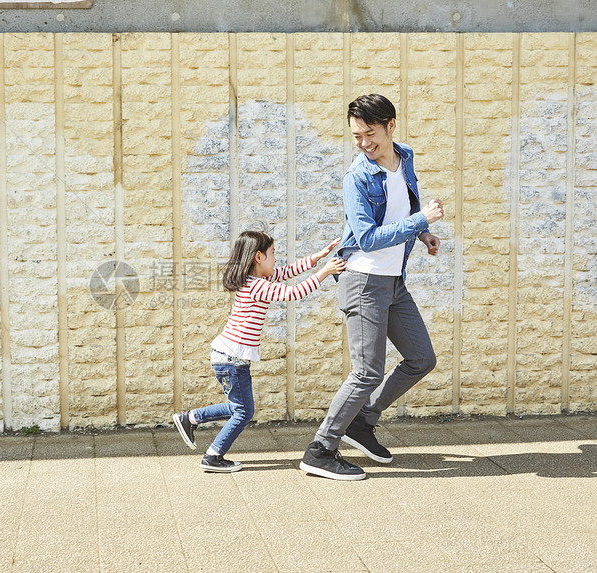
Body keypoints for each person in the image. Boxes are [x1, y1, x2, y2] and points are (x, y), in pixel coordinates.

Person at [300, 93, 445, 481]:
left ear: (390, 126)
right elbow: (365, 237)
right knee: (367, 371)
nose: (364, 143)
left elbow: (405, 206)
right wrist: (419, 223)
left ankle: (362, 421)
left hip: (393, 280)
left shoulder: (405, 156)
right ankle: (320, 450)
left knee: (421, 358)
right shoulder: (357, 176)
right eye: (356, 136)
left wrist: (424, 232)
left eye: (370, 134)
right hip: (363, 279)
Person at [173, 230, 346, 472]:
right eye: (272, 253)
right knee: (244, 412)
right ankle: (213, 456)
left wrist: (318, 256)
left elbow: (287, 272)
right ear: (258, 257)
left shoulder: (256, 281)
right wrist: (325, 272)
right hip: (231, 359)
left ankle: (190, 418)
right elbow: (293, 293)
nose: (276, 259)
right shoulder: (256, 286)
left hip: (229, 357)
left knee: (239, 407)